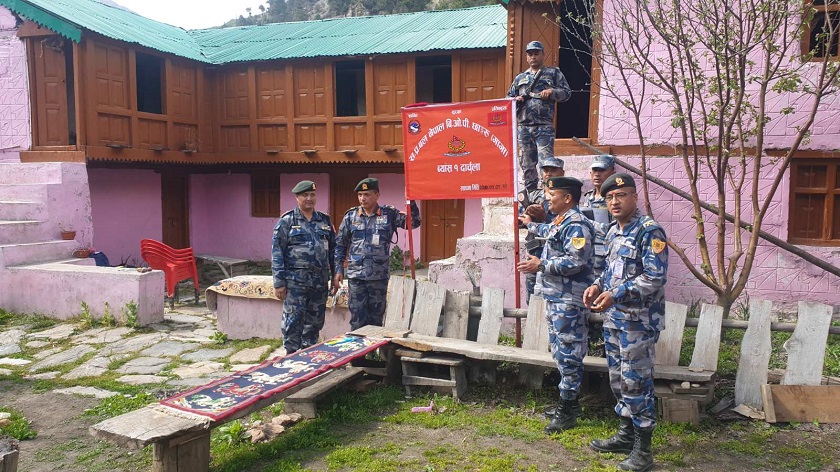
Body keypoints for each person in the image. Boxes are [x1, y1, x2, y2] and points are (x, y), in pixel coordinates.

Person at [583, 173, 668, 472]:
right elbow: (609, 270)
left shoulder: (649, 232)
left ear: (634, 198)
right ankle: (625, 435)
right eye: (609, 198)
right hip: (615, 320)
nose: (614, 202)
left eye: (621, 196)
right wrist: (596, 285)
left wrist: (614, 293)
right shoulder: (612, 232)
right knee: (618, 379)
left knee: (637, 382)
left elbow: (654, 277)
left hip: (639, 323)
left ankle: (643, 452)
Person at [518, 176, 595, 434]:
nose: (548, 199)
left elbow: (576, 262)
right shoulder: (560, 222)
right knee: (560, 352)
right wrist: (530, 224)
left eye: (553, 195)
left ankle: (567, 409)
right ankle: (569, 405)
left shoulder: (577, 224)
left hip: (570, 300)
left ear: (568, 198)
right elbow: (548, 231)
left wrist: (540, 265)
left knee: (570, 354)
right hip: (556, 297)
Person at [333, 177, 421, 330]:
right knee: (357, 320)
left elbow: (413, 223)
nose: (362, 198)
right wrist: (339, 269)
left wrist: (411, 200)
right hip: (356, 277)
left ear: (377, 195)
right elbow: (340, 245)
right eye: (360, 195)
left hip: (378, 277)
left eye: (366, 194)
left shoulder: (389, 214)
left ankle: (374, 353)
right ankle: (359, 354)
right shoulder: (350, 217)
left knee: (376, 320)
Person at [272, 180, 336, 354]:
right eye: (305, 195)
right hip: (295, 283)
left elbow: (333, 251)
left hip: (319, 282)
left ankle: (309, 354)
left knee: (315, 322)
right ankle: (291, 355)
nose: (309, 198)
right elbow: (277, 253)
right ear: (297, 197)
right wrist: (279, 283)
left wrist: (337, 273)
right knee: (293, 320)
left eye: (312, 195)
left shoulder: (324, 220)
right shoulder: (286, 222)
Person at [507, 40, 571, 200]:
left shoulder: (553, 73)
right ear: (527, 57)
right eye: (530, 54)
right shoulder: (520, 78)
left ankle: (549, 196)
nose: (533, 57)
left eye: (536, 53)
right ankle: (530, 198)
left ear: (543, 54)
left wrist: (552, 92)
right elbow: (508, 99)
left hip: (544, 127)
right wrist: (517, 99)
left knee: (546, 164)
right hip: (524, 127)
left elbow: (567, 93)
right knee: (527, 164)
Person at [521, 156, 566, 302]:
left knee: (553, 298)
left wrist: (544, 217)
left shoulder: (567, 196)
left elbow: (565, 223)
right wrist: (527, 215)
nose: (548, 173)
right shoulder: (533, 195)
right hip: (535, 250)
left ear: (562, 172)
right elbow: (520, 221)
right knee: (533, 299)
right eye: (546, 170)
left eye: (553, 170)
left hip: (555, 255)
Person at [580, 154, 616, 276]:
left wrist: (586, 222)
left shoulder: (614, 199)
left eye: (602, 170)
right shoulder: (588, 196)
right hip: (586, 255)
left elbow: (616, 229)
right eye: (594, 170)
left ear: (612, 173)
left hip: (604, 257)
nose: (597, 174)